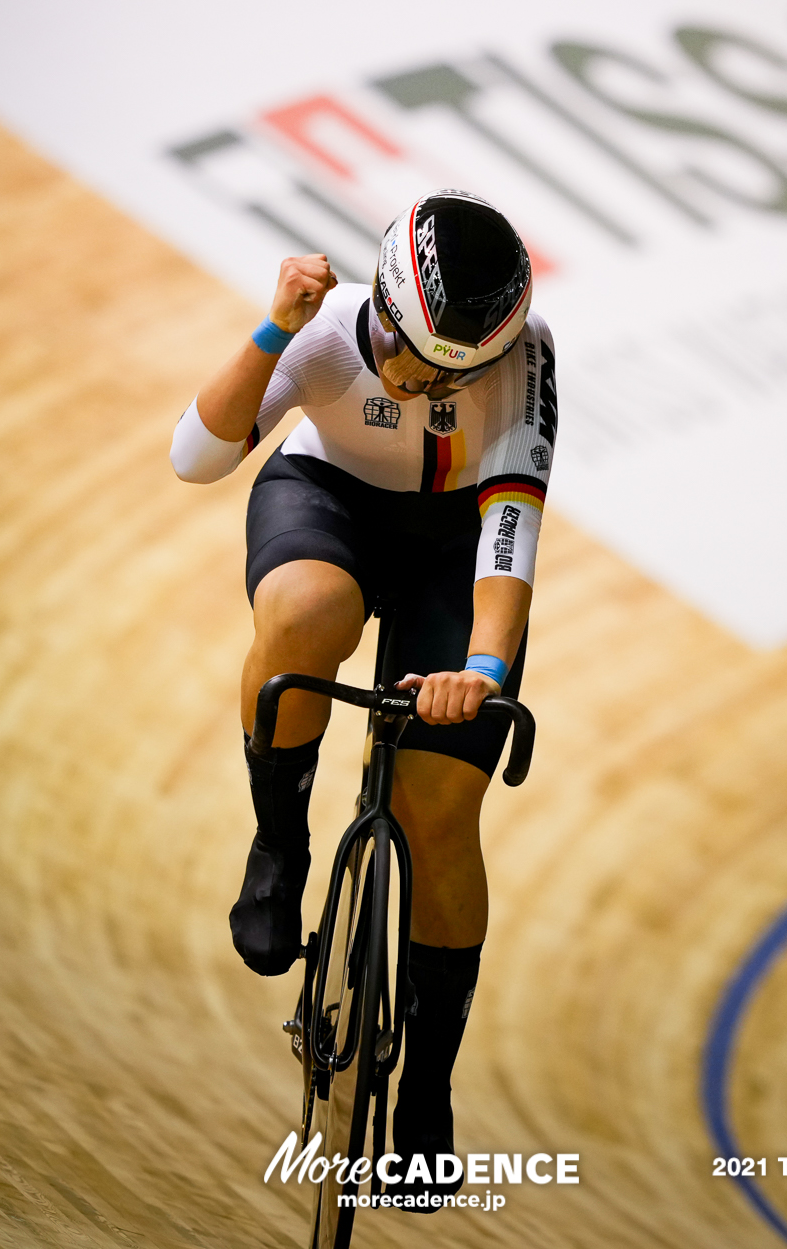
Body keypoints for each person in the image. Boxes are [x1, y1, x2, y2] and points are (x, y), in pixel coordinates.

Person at [169, 189, 555, 1200]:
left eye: (443, 372)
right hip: (325, 502)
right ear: (379, 298)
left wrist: (480, 674)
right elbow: (194, 458)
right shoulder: (330, 326)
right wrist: (270, 333)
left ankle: (426, 1088)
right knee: (304, 615)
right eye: (405, 347)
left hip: (452, 549)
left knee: (439, 814)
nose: (412, 376)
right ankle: (278, 841)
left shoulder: (525, 358)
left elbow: (510, 540)